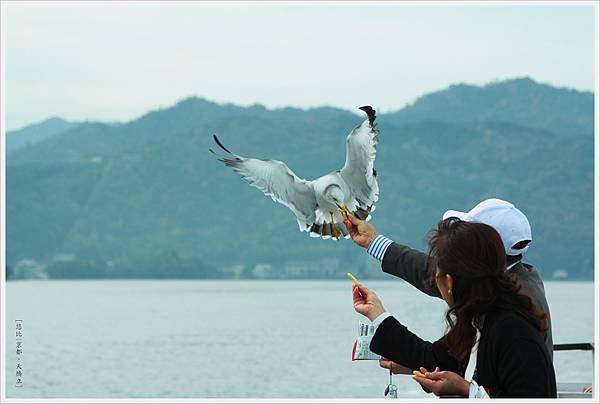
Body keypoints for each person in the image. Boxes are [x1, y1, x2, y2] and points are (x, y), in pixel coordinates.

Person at [352, 218, 557, 398]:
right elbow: (431, 357)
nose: (435, 279)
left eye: (437, 274)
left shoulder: (513, 332)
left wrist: (466, 390)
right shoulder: (482, 316)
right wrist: (376, 313)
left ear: (449, 282)